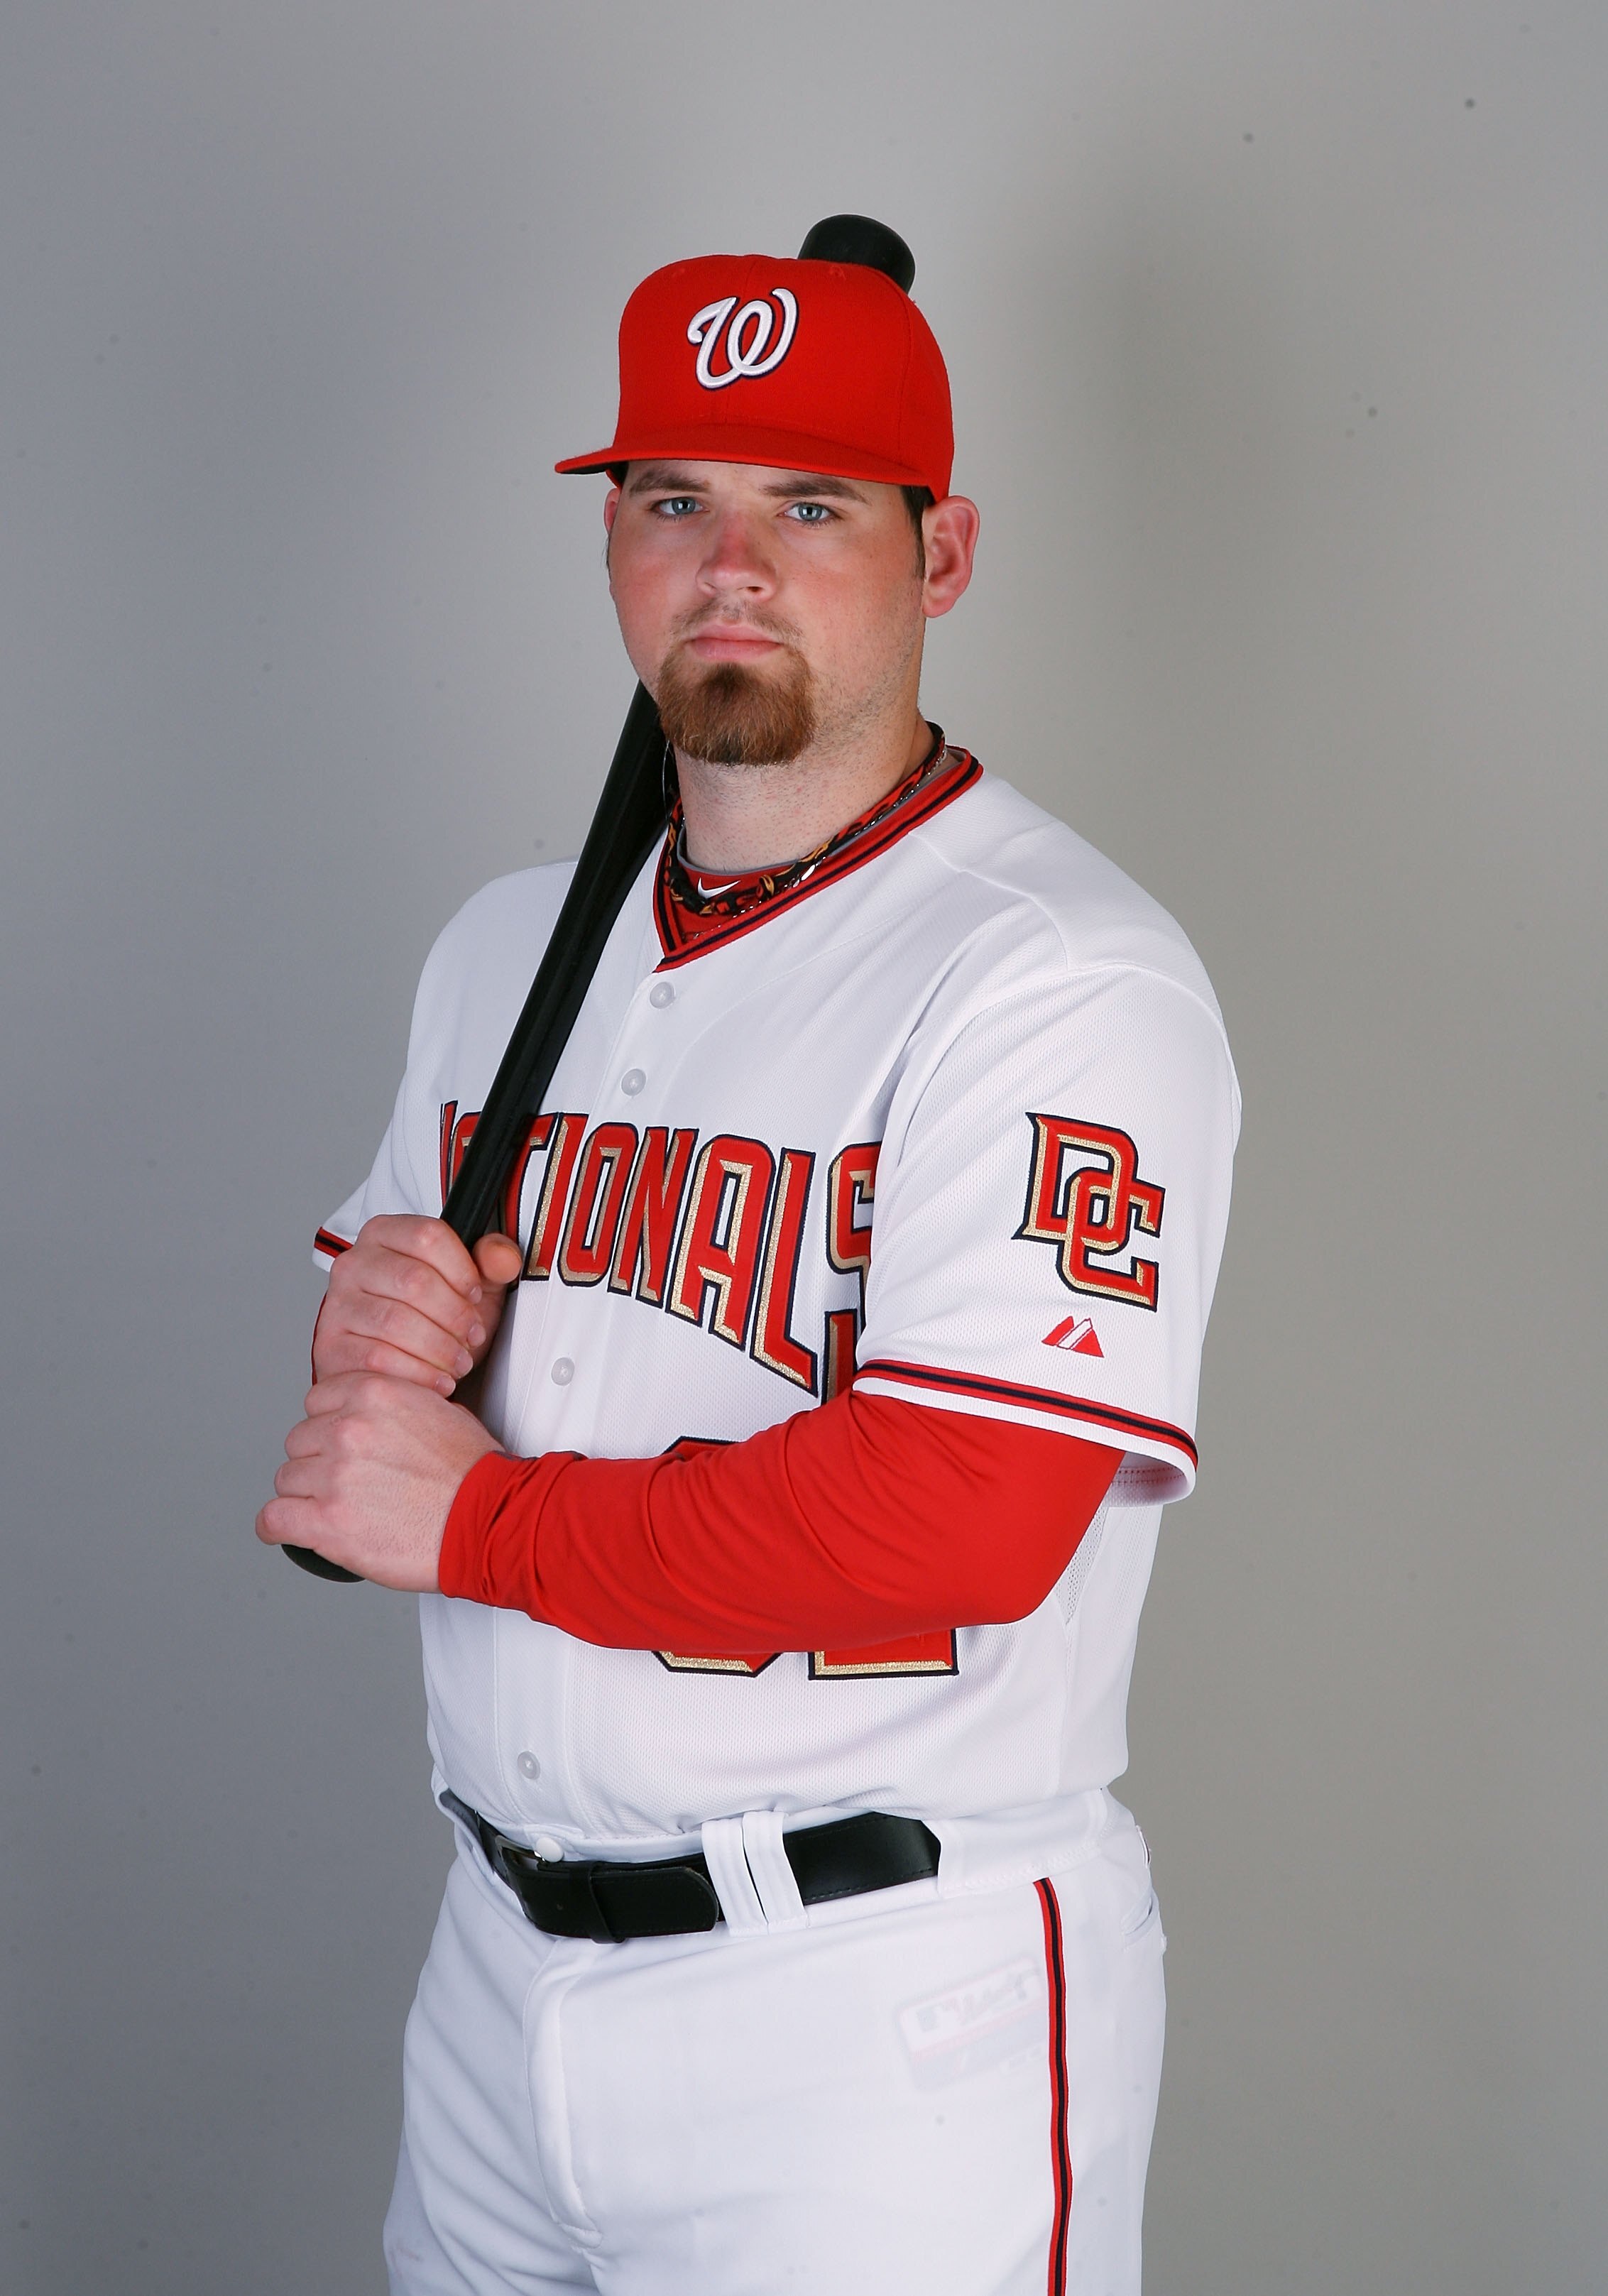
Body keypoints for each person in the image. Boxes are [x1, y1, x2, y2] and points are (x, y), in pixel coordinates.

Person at [258, 229, 1240, 2295]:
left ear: (939, 549)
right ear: (611, 545)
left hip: (876, 2013)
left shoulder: (1051, 976)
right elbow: (379, 1477)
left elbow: (961, 1515)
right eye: (669, 502)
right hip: (493, 1976)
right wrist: (372, 1361)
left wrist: (480, 1509)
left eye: (808, 506)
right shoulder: (502, 948)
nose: (731, 566)